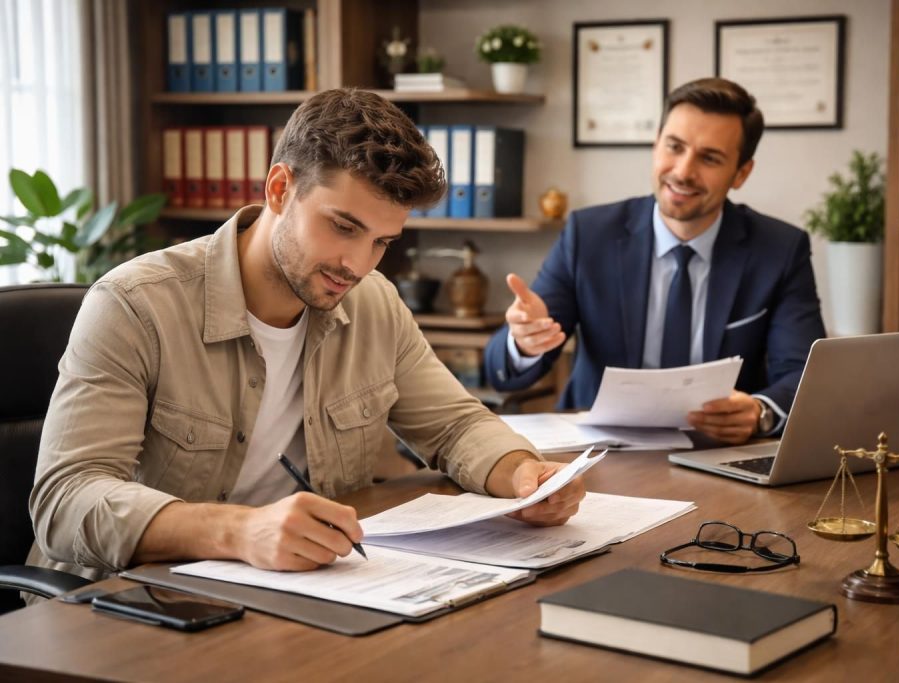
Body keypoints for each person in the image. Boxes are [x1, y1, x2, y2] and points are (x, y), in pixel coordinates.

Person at [27, 89, 585, 591]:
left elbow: (456, 424)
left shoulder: (373, 302)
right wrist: (240, 531)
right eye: (342, 227)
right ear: (279, 188)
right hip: (126, 603)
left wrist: (521, 474)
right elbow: (65, 500)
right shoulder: (135, 304)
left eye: (382, 242)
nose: (357, 264)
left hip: (293, 591)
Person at [484, 78, 826, 445]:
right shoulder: (589, 235)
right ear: (655, 145)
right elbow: (502, 373)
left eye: (709, 158)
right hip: (598, 452)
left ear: (741, 173)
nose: (683, 171)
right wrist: (524, 343)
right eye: (674, 147)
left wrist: (760, 412)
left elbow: (807, 374)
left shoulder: (779, 249)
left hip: (716, 454)